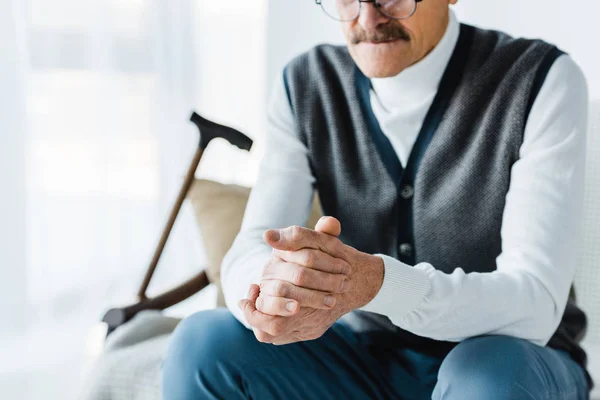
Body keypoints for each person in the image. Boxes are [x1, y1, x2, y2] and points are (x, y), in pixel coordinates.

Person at [162, 0, 591, 398]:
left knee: (487, 371)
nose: (368, 19)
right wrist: (274, 295)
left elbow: (535, 302)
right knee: (204, 342)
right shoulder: (305, 84)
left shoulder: (540, 78)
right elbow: (254, 245)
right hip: (367, 359)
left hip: (511, 364)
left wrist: (376, 283)